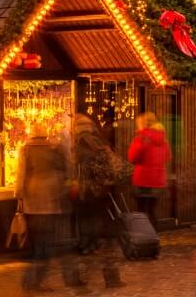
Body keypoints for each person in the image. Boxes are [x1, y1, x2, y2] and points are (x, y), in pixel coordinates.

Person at [16, 123, 81, 291]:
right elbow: (69, 170)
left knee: (40, 244)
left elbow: (20, 177)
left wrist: (19, 196)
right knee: (59, 242)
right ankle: (69, 278)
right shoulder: (55, 149)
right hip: (54, 201)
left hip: (34, 203)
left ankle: (31, 281)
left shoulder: (26, 150)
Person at [72, 115, 126, 289]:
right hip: (101, 197)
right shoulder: (98, 145)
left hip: (83, 198)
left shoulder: (74, 147)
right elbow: (112, 171)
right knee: (106, 239)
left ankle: (80, 278)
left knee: (86, 240)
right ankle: (111, 278)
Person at [128, 111, 172, 224]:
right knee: (151, 210)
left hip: (143, 180)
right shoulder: (163, 139)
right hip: (158, 181)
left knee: (141, 211)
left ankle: (143, 233)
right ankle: (153, 232)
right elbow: (167, 157)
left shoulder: (142, 138)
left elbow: (132, 157)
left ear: (143, 124)